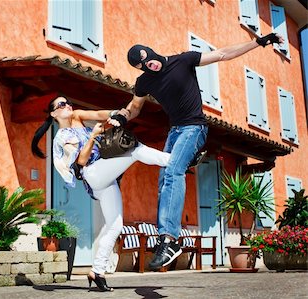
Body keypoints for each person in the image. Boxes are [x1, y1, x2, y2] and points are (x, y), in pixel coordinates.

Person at [116, 33, 284, 270]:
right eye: (140, 66)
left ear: (148, 49)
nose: (146, 65)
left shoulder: (183, 60)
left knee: (174, 170)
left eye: (145, 59)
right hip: (175, 132)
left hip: (195, 127)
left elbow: (223, 54)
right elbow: (134, 107)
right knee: (164, 177)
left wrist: (258, 42)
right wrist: (123, 116)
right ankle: (167, 234)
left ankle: (169, 239)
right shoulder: (144, 82)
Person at [31, 96, 170, 291]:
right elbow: (81, 161)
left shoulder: (77, 116)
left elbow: (97, 114)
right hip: (92, 174)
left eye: (68, 102)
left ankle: (97, 270)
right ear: (54, 113)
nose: (68, 105)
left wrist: (115, 114)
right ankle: (177, 160)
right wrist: (92, 137)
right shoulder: (61, 138)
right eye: (61, 105)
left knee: (115, 225)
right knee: (135, 150)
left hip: (105, 177)